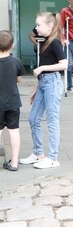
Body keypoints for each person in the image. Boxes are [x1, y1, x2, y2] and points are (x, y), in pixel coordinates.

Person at [20, 12, 68, 169]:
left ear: (49, 26)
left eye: (39, 25)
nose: (36, 28)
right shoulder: (45, 41)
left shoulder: (54, 42)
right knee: (33, 118)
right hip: (43, 83)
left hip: (52, 83)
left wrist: (42, 69)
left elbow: (64, 64)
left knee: (52, 120)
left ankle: (53, 157)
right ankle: (38, 153)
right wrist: (36, 87)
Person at [0, 30, 24, 172]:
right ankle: (14, 162)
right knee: (14, 131)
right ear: (12, 45)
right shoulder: (17, 61)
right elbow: (18, 79)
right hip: (13, 103)